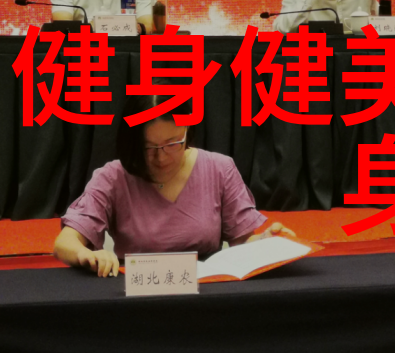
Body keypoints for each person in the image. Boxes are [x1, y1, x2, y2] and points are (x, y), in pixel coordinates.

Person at [53, 95, 295, 277]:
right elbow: (64, 243)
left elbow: (241, 244)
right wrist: (86, 255)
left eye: (172, 144)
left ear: (187, 131)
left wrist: (267, 242)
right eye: (148, 148)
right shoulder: (114, 176)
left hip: (206, 289)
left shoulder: (219, 168)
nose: (161, 158)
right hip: (137, 290)